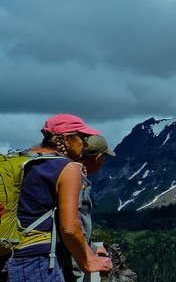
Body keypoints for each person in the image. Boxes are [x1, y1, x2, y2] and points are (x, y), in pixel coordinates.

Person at [1, 114, 113, 282]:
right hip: (37, 260)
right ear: (67, 140)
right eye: (83, 138)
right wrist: (88, 262)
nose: (86, 144)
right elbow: (70, 227)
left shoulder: (20, 159)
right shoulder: (66, 168)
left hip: (6, 254)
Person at [65, 136, 115, 282]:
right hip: (72, 264)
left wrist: (91, 246)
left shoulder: (67, 174)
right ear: (98, 157)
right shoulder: (76, 179)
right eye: (104, 157)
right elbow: (73, 223)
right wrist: (89, 259)